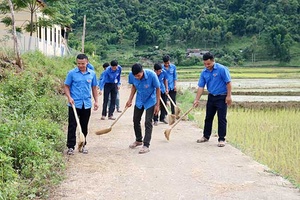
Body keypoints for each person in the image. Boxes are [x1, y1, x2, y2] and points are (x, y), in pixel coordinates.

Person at [193, 52, 232, 147]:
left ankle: (222, 139)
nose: (207, 66)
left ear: (213, 61)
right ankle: (206, 136)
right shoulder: (204, 72)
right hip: (211, 97)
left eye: (209, 64)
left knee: (221, 118)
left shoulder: (221, 69)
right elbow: (201, 87)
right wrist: (196, 100)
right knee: (208, 117)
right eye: (205, 64)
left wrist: (229, 96)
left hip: (222, 97)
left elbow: (228, 83)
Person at [64, 53, 99, 155]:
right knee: (72, 125)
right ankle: (71, 146)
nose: (80, 65)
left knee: (84, 126)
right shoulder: (72, 73)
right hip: (74, 104)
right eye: (78, 63)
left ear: (87, 62)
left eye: (83, 63)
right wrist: (69, 97)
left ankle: (83, 145)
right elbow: (66, 86)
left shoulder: (92, 74)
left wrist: (96, 101)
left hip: (86, 104)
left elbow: (94, 88)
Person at [126, 63, 160, 154]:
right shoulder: (132, 75)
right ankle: (138, 140)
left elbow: (158, 88)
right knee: (135, 120)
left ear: (142, 72)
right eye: (135, 76)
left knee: (148, 122)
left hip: (150, 100)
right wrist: (130, 99)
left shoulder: (152, 75)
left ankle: (146, 145)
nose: (137, 77)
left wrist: (157, 105)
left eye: (139, 75)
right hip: (140, 99)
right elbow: (134, 86)